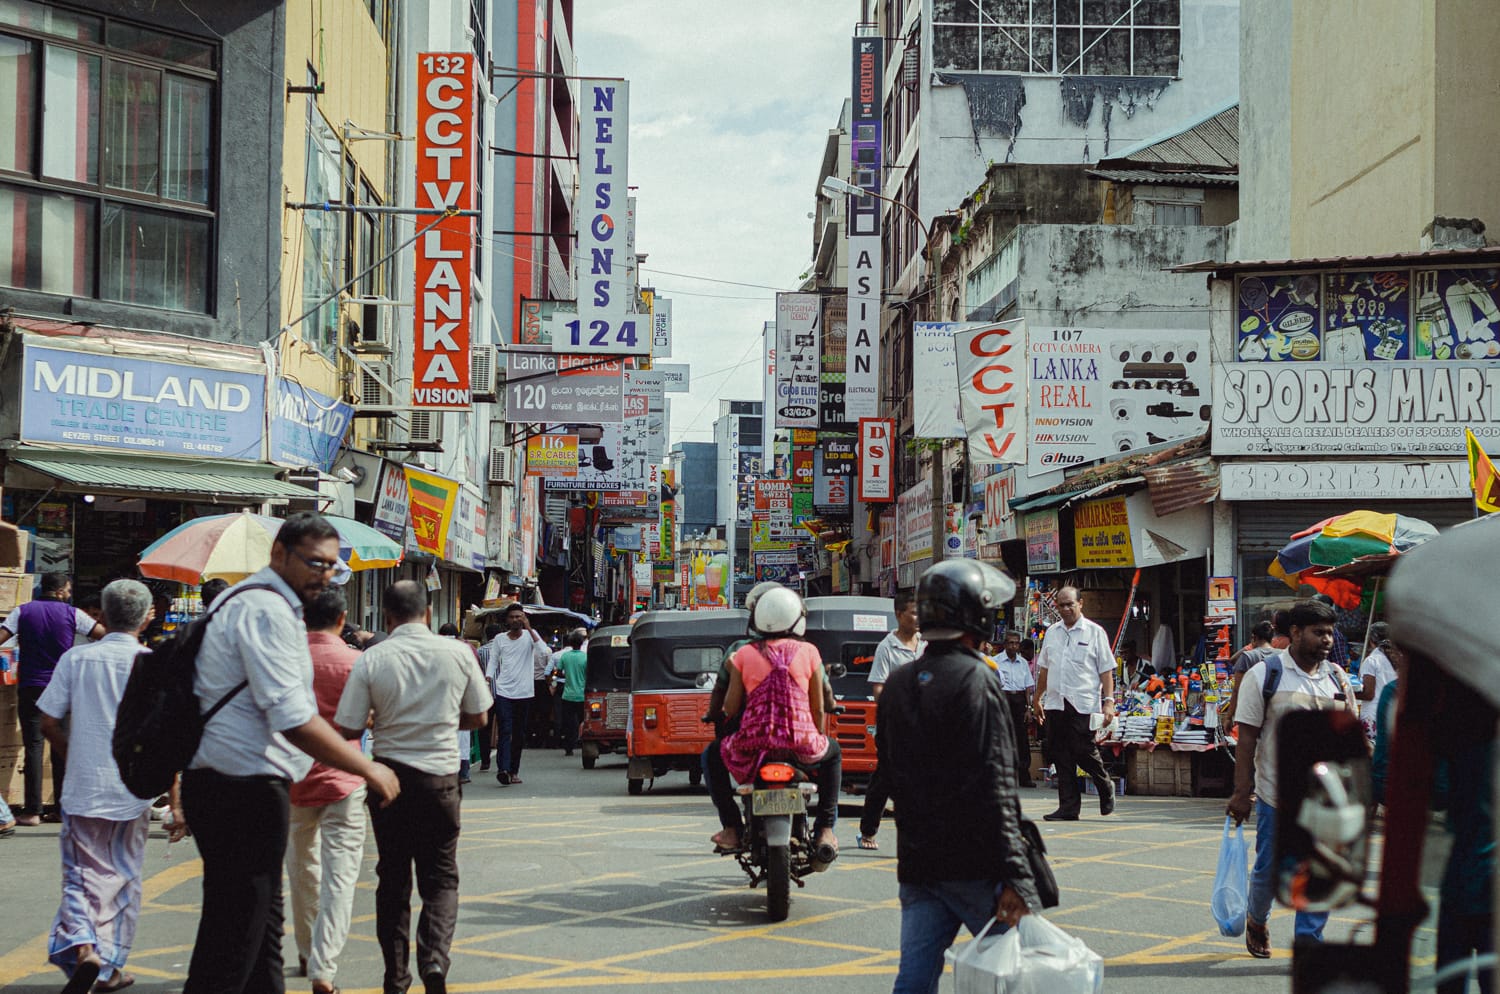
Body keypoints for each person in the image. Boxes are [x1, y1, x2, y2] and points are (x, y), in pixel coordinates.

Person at [182, 513, 400, 994]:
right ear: (278, 554)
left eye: (331, 567)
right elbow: (292, 718)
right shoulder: (267, 611)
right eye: (314, 563)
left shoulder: (259, 603)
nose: (323, 576)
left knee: (261, 935)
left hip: (245, 782)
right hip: (239, 785)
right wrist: (368, 768)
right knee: (234, 937)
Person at [878, 560, 1037, 994]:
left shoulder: (897, 684)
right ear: (975, 617)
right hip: (976, 866)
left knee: (913, 980)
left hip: (918, 860)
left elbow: (887, 772)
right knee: (1007, 975)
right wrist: (1016, 875)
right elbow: (998, 785)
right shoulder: (977, 679)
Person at [334, 580, 492, 994]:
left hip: (388, 782)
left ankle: (396, 978)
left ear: (387, 617)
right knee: (440, 880)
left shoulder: (372, 658)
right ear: (427, 614)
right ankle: (435, 961)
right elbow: (479, 717)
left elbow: (347, 726)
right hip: (440, 780)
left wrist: (379, 719)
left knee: (393, 879)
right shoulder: (458, 652)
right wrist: (440, 722)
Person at [37, 579, 178, 994]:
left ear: (100, 612)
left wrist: (73, 754)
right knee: (123, 877)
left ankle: (86, 951)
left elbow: (47, 721)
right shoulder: (154, 663)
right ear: (148, 616)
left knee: (81, 876)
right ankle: (110, 964)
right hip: (133, 793)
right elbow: (168, 740)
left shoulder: (76, 660)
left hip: (83, 788)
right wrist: (177, 802)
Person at [1228, 598, 1357, 958]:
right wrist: (1242, 793)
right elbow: (1247, 737)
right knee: (1269, 871)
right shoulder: (1264, 675)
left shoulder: (1337, 677)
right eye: (1318, 632)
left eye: (1330, 633)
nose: (1327, 640)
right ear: (1296, 633)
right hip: (1276, 796)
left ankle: (1309, 943)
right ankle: (1257, 918)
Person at [715, 587, 842, 859]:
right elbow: (819, 707)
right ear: (797, 619)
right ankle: (825, 829)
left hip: (752, 744)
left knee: (710, 756)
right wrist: (815, 737)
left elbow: (730, 707)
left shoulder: (745, 654)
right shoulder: (809, 651)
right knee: (834, 754)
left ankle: (732, 828)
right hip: (801, 744)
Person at [285, 590, 367, 994]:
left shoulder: (286, 660)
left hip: (293, 778)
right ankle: (323, 965)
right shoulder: (355, 662)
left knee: (302, 869)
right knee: (341, 875)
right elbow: (368, 718)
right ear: (342, 619)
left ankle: (305, 950)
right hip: (345, 778)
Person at [0, 572, 105, 826]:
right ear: (59, 591)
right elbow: (103, 633)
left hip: (31, 686)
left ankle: (33, 811)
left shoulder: (22, 612)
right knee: (61, 744)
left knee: (33, 745)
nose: (69, 594)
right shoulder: (73, 614)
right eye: (68, 590)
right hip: (64, 687)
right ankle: (61, 808)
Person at [1033, 586, 1116, 821]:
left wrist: (1108, 702)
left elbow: (1106, 671)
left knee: (1083, 750)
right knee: (1061, 756)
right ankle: (1068, 808)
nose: (1066, 609)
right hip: (1056, 702)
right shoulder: (1052, 632)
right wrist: (1037, 698)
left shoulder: (1095, 632)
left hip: (1083, 702)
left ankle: (1104, 784)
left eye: (1070, 604)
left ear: (1081, 604)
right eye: (1061, 605)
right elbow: (1045, 669)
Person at [857, 592, 925, 851]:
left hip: (922, 724)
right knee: (885, 778)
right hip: (894, 725)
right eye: (913, 612)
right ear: (899, 615)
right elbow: (878, 689)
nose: (918, 618)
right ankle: (868, 830)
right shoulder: (887, 647)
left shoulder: (925, 645)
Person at [483, 603, 549, 786]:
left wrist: (529, 628)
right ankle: (503, 769)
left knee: (519, 734)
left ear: (524, 618)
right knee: (505, 730)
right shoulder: (499, 639)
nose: (515, 620)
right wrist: (488, 678)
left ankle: (514, 771)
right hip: (504, 691)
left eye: (519, 616)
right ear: (507, 620)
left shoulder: (530, 637)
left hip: (525, 693)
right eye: (512, 617)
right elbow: (493, 660)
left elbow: (545, 652)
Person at [993, 631, 1037, 788]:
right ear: (1005, 644)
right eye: (1010, 643)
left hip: (1019, 701)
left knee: (1022, 740)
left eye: (1016, 643)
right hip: (1003, 699)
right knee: (1002, 738)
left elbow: (1027, 688)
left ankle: (1024, 776)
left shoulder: (1023, 663)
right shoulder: (995, 661)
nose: (1013, 646)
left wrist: (1029, 709)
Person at [1224, 620, 1279, 734]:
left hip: (1251, 714)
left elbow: (1237, 690)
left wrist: (1229, 717)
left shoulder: (1247, 657)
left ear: (1254, 638)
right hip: (1276, 713)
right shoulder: (1282, 655)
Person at [1355, 622, 1397, 743]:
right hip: (1391, 716)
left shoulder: (1372, 660)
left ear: (1371, 640)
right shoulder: (1398, 660)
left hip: (1372, 716)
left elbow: (1369, 694)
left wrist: (1349, 692)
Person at [555, 628, 588, 756]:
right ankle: (583, 743)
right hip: (582, 694)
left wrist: (567, 675)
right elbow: (589, 673)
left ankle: (569, 747)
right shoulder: (585, 657)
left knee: (568, 722)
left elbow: (558, 672)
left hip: (567, 694)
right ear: (581, 643)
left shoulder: (565, 656)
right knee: (583, 720)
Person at [474, 624, 503, 771]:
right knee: (504, 728)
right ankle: (502, 762)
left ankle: (485, 761)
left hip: (487, 695)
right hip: (504, 694)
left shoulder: (480, 651)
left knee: (484, 729)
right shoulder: (505, 651)